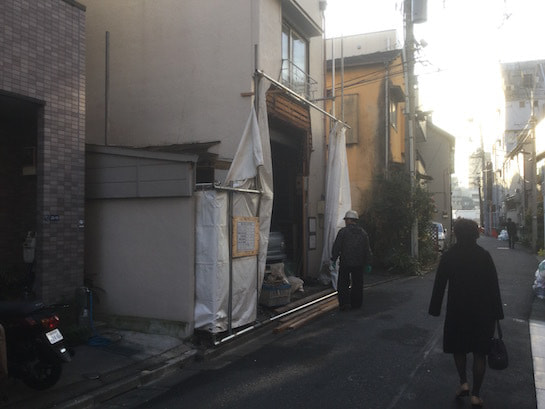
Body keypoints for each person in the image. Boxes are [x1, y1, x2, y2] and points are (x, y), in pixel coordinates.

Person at [428, 218, 504, 408]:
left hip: (458, 310)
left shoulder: (449, 256)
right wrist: (497, 313)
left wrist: (435, 308)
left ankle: (463, 383)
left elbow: (439, 284)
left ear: (456, 234)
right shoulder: (484, 255)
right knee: (480, 352)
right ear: (475, 234)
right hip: (483, 311)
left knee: (459, 347)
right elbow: (493, 286)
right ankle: (476, 395)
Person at [331, 210, 372, 311]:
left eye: (346, 219)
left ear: (350, 220)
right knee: (357, 284)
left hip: (345, 262)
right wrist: (368, 263)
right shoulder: (363, 233)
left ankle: (344, 304)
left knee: (343, 284)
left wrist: (333, 259)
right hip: (359, 263)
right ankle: (356, 304)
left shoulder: (343, 232)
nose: (345, 221)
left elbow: (337, 247)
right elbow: (367, 249)